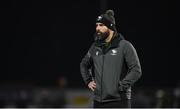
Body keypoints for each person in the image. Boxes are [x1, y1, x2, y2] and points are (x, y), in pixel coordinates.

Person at [80, 9, 142, 108]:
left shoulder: (124, 46)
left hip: (119, 101)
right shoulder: (95, 47)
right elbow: (84, 64)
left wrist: (121, 87)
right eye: (96, 25)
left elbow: (136, 70)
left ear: (111, 27)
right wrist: (88, 80)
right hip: (98, 102)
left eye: (101, 25)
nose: (97, 28)